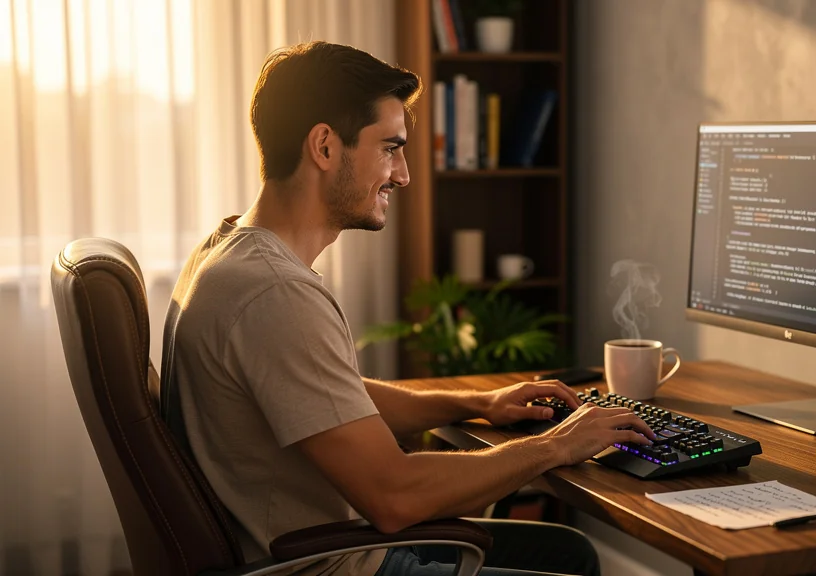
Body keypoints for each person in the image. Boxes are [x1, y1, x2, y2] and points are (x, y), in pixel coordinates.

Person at [162, 41, 655, 576]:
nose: (403, 175)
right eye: (390, 148)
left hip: (316, 542)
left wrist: (479, 403)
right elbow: (394, 497)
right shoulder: (275, 293)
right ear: (325, 147)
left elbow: (326, 399)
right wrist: (556, 446)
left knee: (568, 553)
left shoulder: (227, 250)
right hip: (329, 564)